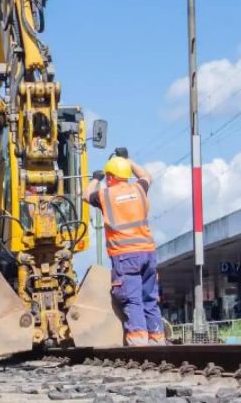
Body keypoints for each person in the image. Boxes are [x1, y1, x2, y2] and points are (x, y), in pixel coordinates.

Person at [84, 147, 163, 346]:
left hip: (125, 256)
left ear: (110, 177)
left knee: (132, 298)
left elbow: (86, 195)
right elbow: (146, 176)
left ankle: (138, 342)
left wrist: (96, 178)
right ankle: (157, 339)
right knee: (149, 297)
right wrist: (127, 160)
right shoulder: (138, 189)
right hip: (148, 253)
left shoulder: (106, 195)